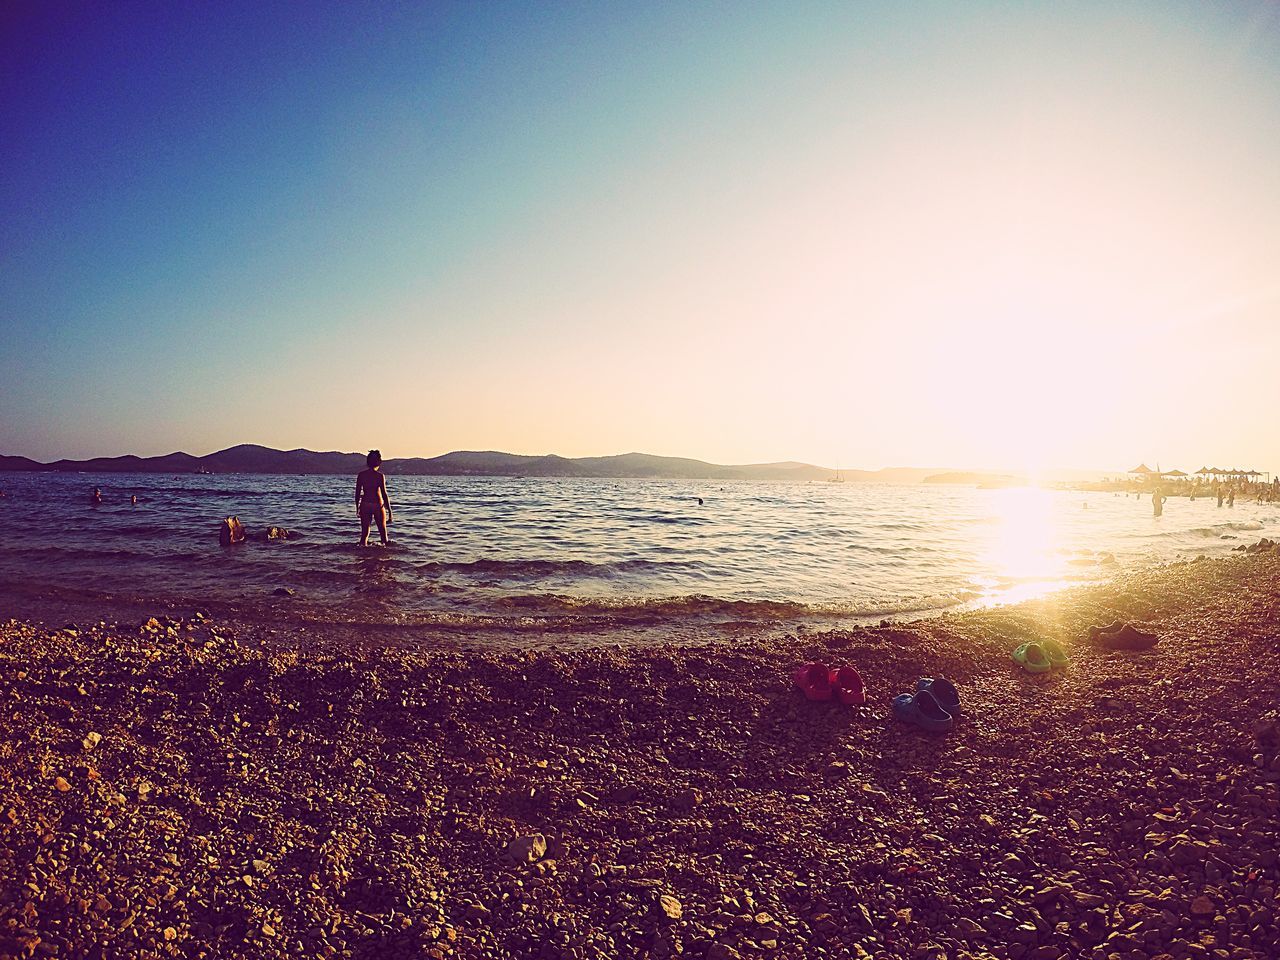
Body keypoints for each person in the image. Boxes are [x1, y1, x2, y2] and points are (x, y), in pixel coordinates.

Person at [355, 449, 393, 546]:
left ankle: (362, 555)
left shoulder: (361, 475)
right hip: (377, 505)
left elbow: (357, 493)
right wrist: (390, 511)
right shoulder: (380, 476)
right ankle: (385, 557)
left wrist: (357, 508)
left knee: (364, 534)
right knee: (383, 534)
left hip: (365, 504)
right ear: (379, 461)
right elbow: (384, 494)